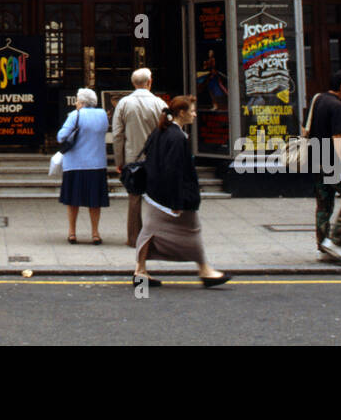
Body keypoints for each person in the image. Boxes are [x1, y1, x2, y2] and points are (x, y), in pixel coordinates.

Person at [133, 96, 230, 288]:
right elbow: (175, 171)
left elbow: (150, 156)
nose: (195, 114)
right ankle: (204, 269)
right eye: (192, 111)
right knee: (192, 230)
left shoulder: (161, 131)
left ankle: (140, 270)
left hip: (156, 194)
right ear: (182, 113)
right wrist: (176, 202)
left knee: (149, 231)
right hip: (174, 197)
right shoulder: (177, 137)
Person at [112, 67, 166, 247]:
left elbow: (117, 135)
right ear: (149, 82)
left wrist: (119, 161)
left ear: (133, 83)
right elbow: (169, 132)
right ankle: (154, 237)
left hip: (132, 158)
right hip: (156, 159)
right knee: (156, 199)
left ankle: (134, 238)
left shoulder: (124, 104)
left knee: (134, 199)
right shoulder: (160, 104)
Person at [310, 70, 341, 265]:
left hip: (316, 158)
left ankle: (322, 247)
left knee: (324, 205)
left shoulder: (318, 99)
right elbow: (337, 138)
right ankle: (335, 242)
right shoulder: (337, 106)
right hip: (330, 161)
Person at [57, 87, 109, 244]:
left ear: (82, 102)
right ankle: (95, 233)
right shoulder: (103, 115)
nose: (76, 103)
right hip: (97, 163)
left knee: (73, 201)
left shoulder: (75, 115)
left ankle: (72, 233)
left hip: (76, 164)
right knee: (95, 201)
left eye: (77, 101)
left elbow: (61, 137)